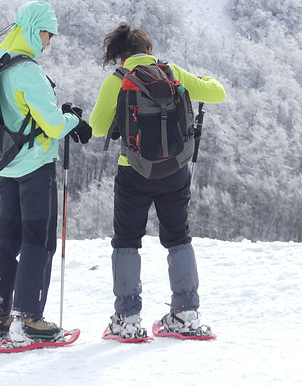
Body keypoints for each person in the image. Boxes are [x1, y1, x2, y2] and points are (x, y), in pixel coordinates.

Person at [89, 22, 226, 339]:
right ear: (149, 51)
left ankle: (127, 319)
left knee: (126, 240)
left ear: (121, 56)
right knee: (179, 237)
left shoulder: (117, 81)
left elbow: (97, 128)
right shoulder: (172, 72)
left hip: (133, 170)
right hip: (176, 170)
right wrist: (204, 81)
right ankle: (186, 314)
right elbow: (217, 93)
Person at [0, 0, 92, 344]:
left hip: (7, 166)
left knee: (7, 238)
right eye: (46, 34)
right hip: (35, 168)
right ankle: (29, 319)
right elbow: (54, 125)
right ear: (32, 29)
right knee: (38, 240)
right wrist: (74, 120)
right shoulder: (28, 70)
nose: (47, 42)